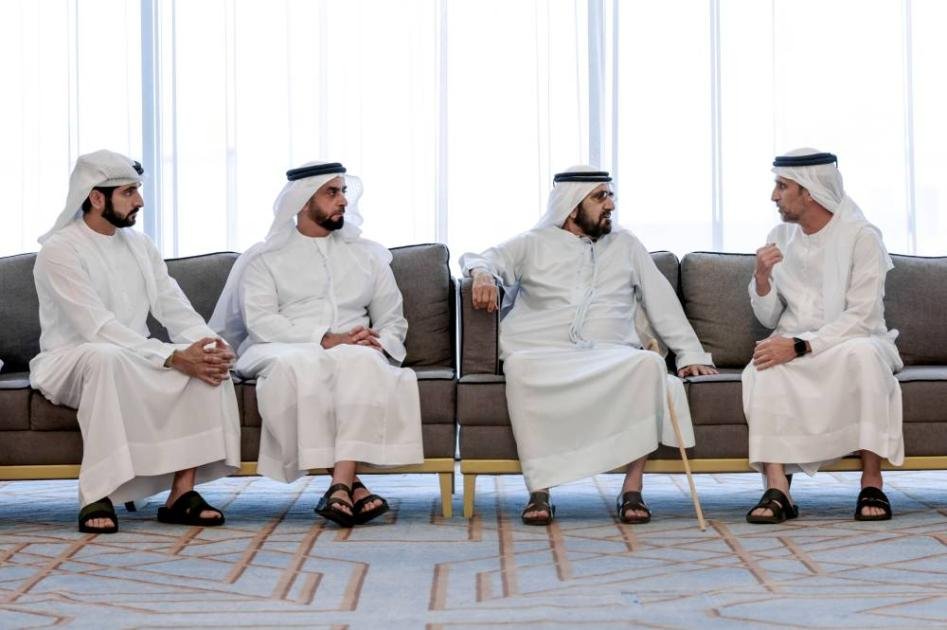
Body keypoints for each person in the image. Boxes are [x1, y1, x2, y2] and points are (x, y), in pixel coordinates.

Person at [460, 165, 716, 525]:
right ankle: (539, 490)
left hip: (608, 351)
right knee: (520, 367)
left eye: (610, 195)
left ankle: (632, 488)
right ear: (571, 206)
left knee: (648, 365)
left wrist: (689, 354)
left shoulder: (626, 245)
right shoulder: (533, 242)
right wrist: (483, 274)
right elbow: (480, 257)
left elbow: (662, 301)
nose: (610, 204)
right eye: (600, 197)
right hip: (541, 350)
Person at [30, 149, 241, 534]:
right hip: (71, 358)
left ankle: (182, 493)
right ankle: (97, 494)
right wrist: (171, 357)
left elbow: (172, 304)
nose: (140, 201)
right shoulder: (60, 250)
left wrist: (209, 344)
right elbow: (96, 327)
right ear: (97, 197)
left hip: (134, 353)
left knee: (207, 366)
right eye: (128, 192)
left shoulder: (140, 245)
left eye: (137, 190)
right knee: (106, 357)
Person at [210, 161, 422, 528]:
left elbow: (393, 319)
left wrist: (378, 343)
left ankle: (340, 486)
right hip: (280, 345)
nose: (343, 200)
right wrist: (324, 338)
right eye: (332, 192)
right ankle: (353, 486)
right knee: (302, 365)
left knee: (362, 362)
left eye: (343, 191)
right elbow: (261, 321)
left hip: (353, 348)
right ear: (303, 200)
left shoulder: (367, 255)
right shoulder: (265, 258)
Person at [743, 148, 903, 524]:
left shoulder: (862, 237)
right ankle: (778, 488)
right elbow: (769, 317)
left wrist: (801, 346)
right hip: (794, 338)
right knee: (764, 363)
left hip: (854, 339)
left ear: (809, 191)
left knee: (864, 356)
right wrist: (762, 279)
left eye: (782, 186)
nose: (774, 196)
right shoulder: (779, 236)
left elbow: (862, 317)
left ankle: (872, 481)